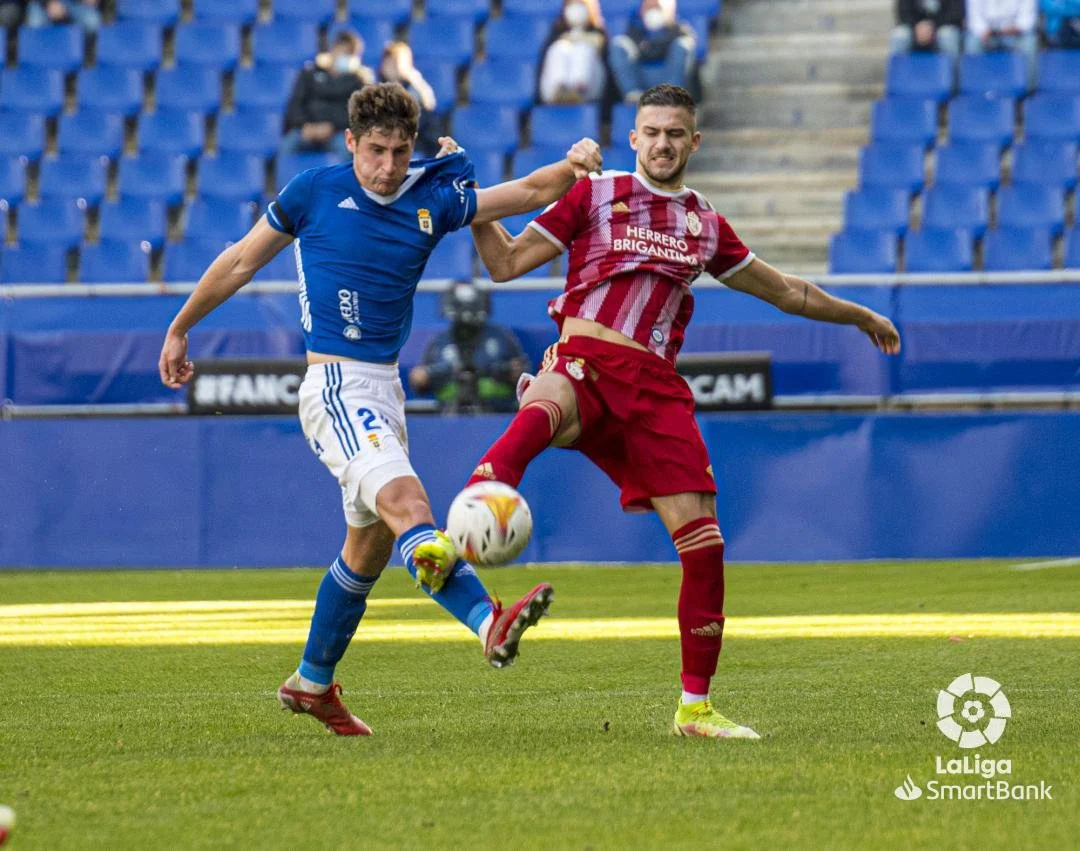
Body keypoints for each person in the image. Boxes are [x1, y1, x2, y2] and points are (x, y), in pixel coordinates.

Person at [158, 82, 603, 736]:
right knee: (410, 508)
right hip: (335, 384)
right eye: (375, 151)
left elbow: (530, 192)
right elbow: (240, 261)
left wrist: (575, 163)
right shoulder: (315, 191)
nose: (389, 166)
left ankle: (311, 682)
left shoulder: (433, 193)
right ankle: (488, 622)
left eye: (399, 151)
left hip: (385, 390)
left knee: (365, 548)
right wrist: (180, 326)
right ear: (350, 143)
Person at [462, 84, 902, 739]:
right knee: (553, 394)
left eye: (675, 134)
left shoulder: (704, 223)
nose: (663, 143)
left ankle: (694, 708)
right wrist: (470, 203)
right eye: (651, 132)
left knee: (704, 543)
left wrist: (858, 313)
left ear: (694, 141)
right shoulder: (593, 193)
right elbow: (504, 262)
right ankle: (465, 521)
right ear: (633, 137)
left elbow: (784, 290)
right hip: (586, 357)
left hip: (655, 391)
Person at [409, 281, 530, 413]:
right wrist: (437, 374)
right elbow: (419, 379)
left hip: (497, 412)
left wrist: (501, 371)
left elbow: (523, 375)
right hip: (449, 415)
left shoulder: (501, 337)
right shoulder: (440, 342)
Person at [281, 30, 374, 160]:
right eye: (344, 52)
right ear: (334, 49)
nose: (346, 57)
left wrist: (332, 126)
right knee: (288, 145)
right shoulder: (309, 73)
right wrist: (305, 126)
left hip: (338, 133)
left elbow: (359, 115)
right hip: (307, 131)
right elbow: (295, 105)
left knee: (347, 147)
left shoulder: (360, 81)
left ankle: (342, 181)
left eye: (351, 54)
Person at [609, 0, 696, 102]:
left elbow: (686, 48)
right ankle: (634, 94)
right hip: (641, 75)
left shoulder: (680, 30)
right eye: (649, 7)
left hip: (668, 76)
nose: (653, 11)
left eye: (657, 7)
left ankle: (670, 95)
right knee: (618, 43)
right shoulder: (635, 29)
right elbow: (632, 51)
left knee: (684, 44)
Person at [378, 41, 442, 158]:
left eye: (396, 62)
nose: (392, 66)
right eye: (388, 62)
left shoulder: (417, 90)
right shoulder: (374, 89)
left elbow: (421, 125)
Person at [538, 0, 609, 104]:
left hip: (590, 90)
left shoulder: (598, 32)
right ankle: (561, 89)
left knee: (583, 49)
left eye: (580, 5)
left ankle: (577, 89)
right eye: (572, 5)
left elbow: (607, 65)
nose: (576, 9)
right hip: (553, 93)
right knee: (559, 48)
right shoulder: (556, 33)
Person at [964, 0, 1038, 85]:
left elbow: (1027, 20)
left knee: (1029, 42)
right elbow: (974, 18)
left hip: (1014, 34)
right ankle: (974, 87)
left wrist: (1015, 29)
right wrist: (983, 30)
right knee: (972, 43)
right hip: (988, 34)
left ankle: (1030, 88)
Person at [891, 0, 965, 56]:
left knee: (948, 36)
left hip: (941, 27)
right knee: (900, 35)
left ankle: (953, 75)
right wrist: (916, 26)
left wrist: (932, 26)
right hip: (916, 28)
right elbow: (903, 12)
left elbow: (955, 13)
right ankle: (899, 74)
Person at [26, 0, 99, 30]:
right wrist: (48, 2)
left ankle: (83, 56)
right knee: (35, 24)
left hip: (73, 3)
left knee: (92, 22)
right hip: (42, 4)